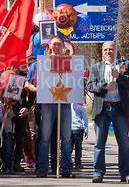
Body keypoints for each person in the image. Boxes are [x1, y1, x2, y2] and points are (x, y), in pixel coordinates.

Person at [87, 41, 129, 183]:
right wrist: (105, 86)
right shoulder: (97, 67)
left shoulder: (125, 65)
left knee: (123, 143)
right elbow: (90, 85)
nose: (108, 52)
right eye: (106, 49)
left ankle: (126, 173)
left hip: (120, 108)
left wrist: (119, 77)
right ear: (102, 51)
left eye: (111, 49)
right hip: (102, 108)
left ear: (116, 50)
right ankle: (98, 172)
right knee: (99, 143)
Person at [27, 36, 75, 178]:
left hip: (64, 103)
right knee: (45, 137)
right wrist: (39, 90)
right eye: (54, 44)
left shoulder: (71, 64)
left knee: (66, 138)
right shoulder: (40, 64)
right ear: (49, 46)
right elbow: (27, 84)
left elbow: (75, 82)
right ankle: (42, 168)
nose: (56, 47)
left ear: (63, 46)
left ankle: (66, 168)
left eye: (59, 44)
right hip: (47, 104)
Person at [71, 102, 88, 169]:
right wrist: (86, 131)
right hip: (78, 129)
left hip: (70, 128)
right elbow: (85, 120)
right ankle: (78, 163)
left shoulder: (69, 107)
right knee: (78, 147)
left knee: (69, 146)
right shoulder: (81, 108)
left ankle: (68, 159)